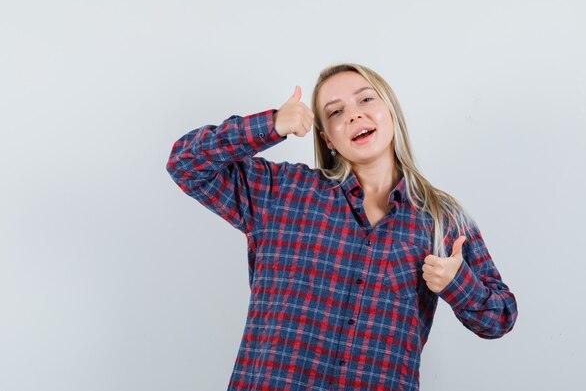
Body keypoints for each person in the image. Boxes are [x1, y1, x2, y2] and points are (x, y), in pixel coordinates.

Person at [166, 63, 518, 390]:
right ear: (329, 139)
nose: (355, 114)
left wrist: (458, 283)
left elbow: (500, 317)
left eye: (366, 99)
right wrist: (270, 124)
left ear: (391, 111)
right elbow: (185, 164)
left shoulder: (444, 219)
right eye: (336, 112)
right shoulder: (279, 192)